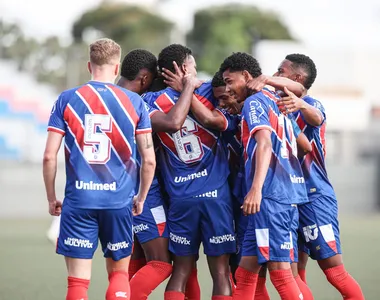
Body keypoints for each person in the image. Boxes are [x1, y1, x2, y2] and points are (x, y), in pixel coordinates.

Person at [42, 38, 156, 300]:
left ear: (88, 66)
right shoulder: (135, 103)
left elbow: (49, 156)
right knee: (118, 275)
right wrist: (141, 197)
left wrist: (51, 198)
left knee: (77, 284)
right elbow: (149, 159)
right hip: (119, 201)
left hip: (79, 200)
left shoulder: (67, 99)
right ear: (117, 68)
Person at [144, 44, 237, 300]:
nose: (196, 71)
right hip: (216, 197)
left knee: (181, 272)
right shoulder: (209, 90)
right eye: (193, 66)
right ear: (184, 68)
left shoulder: (148, 102)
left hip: (180, 198)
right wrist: (189, 85)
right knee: (221, 273)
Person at [220, 52, 309, 300]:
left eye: (230, 81)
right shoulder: (273, 98)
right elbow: (304, 145)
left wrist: (256, 189)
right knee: (246, 272)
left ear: (247, 77)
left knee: (280, 273)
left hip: (271, 198)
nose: (227, 88)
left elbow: (265, 144)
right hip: (283, 196)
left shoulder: (255, 101)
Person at [275, 53, 365, 299]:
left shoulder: (312, 104)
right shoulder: (274, 106)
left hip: (314, 196)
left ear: (296, 78)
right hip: (289, 198)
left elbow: (317, 117)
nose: (275, 74)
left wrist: (302, 104)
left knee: (334, 272)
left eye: (280, 71)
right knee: (295, 274)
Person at [118, 49, 200, 300]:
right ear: (145, 79)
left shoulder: (108, 97)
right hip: (143, 193)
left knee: (138, 258)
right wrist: (188, 87)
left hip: (118, 190)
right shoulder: (136, 102)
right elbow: (173, 122)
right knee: (163, 263)